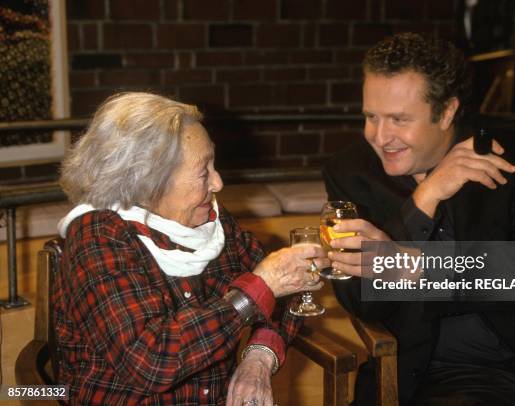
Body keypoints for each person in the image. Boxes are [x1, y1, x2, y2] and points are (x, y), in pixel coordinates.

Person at [323, 33, 515, 405]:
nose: (380, 137)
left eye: (399, 119)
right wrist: (425, 198)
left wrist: (417, 268)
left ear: (446, 112)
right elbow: (361, 300)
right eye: (370, 117)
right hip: (437, 373)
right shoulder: (350, 173)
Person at [54, 92, 328, 405]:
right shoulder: (98, 237)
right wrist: (256, 291)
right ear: (149, 180)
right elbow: (153, 362)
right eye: (204, 171)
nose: (218, 183)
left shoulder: (211, 221)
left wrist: (259, 357)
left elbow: (287, 292)